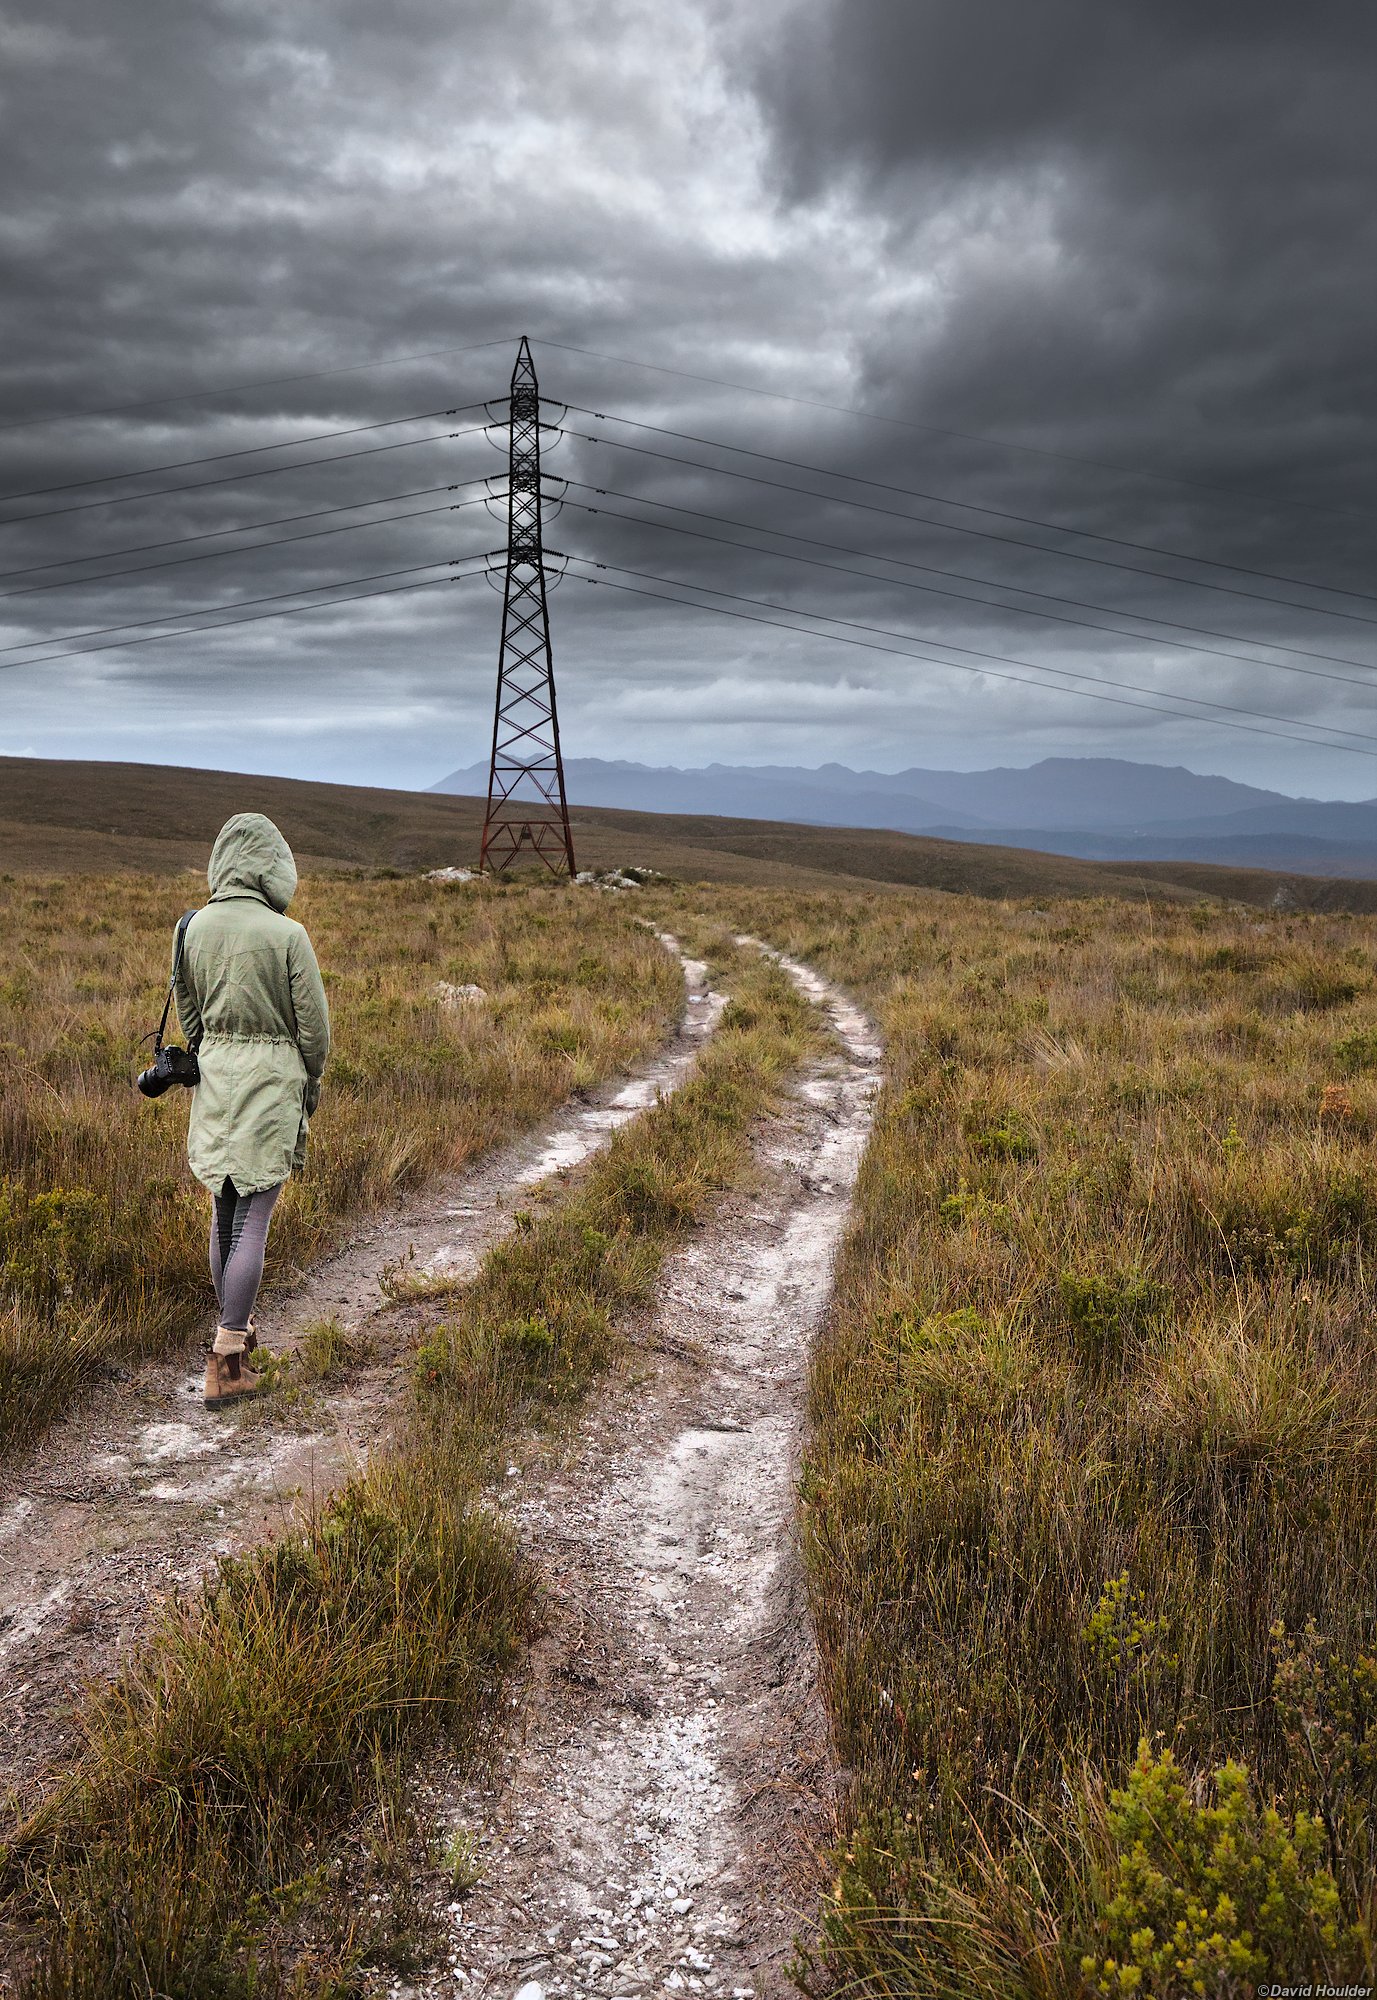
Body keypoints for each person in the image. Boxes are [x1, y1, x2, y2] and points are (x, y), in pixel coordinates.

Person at [173, 812, 330, 1407]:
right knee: (255, 1220)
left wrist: (214, 1049)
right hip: (270, 1084)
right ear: (272, 866)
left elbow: (190, 1018)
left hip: (215, 1081)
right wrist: (305, 1078)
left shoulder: (190, 927)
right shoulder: (288, 935)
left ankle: (233, 1339)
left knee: (225, 1212)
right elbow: (314, 1032)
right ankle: (228, 1361)